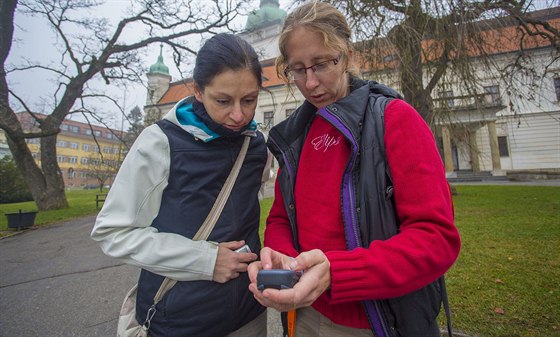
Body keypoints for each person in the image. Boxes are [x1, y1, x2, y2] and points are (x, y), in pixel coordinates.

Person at [247, 2, 462, 337]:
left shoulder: (395, 120)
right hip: (303, 315)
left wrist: (337, 272)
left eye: (321, 64)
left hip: (377, 323)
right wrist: (282, 259)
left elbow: (437, 239)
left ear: (346, 55)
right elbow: (280, 218)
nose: (311, 82)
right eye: (297, 70)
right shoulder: (296, 135)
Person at [91, 33, 270, 337]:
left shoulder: (255, 146)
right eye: (223, 101)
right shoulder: (160, 142)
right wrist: (205, 260)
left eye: (250, 100)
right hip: (179, 321)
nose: (239, 115)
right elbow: (113, 232)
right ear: (198, 91)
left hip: (248, 315)